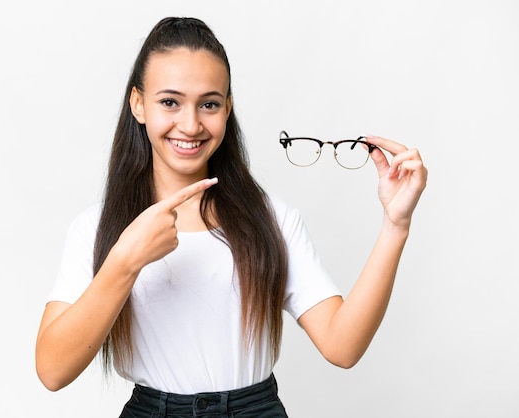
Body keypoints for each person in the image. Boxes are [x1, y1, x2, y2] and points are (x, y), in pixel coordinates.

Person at [35, 17, 428, 417]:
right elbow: (52, 371)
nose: (190, 125)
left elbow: (342, 346)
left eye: (209, 104)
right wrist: (125, 260)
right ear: (138, 104)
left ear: (228, 107)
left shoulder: (271, 219)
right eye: (169, 102)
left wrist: (396, 226)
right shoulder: (97, 229)